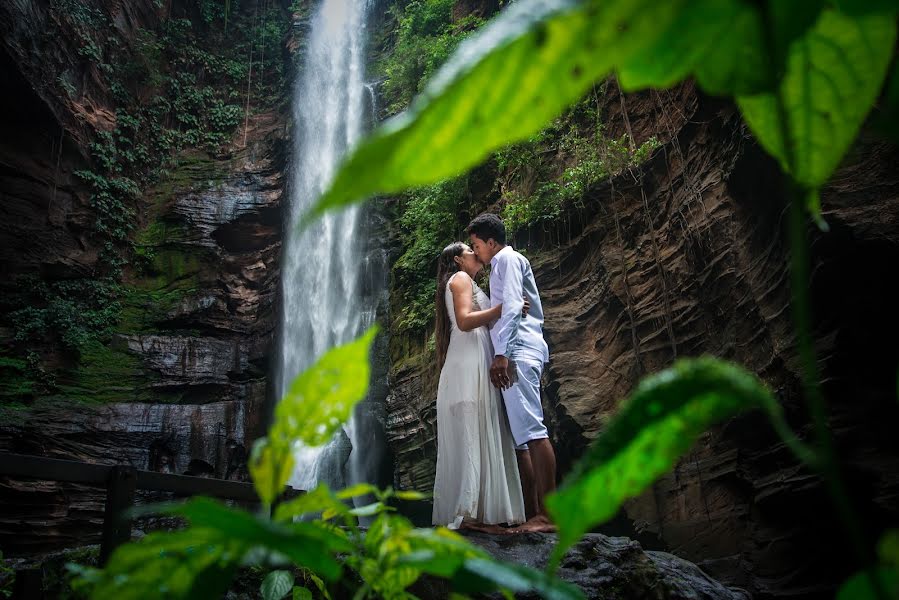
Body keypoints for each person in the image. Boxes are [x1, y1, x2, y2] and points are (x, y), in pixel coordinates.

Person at [467, 213, 558, 533]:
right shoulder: (502, 264)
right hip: (518, 351)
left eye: (477, 245)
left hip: (518, 351)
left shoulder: (506, 259)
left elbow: (513, 306)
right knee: (522, 439)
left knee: (533, 431)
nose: (476, 251)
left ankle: (549, 516)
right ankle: (532, 513)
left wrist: (502, 354)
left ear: (491, 242)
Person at [431, 242, 526, 531]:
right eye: (470, 250)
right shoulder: (460, 279)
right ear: (459, 260)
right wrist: (504, 307)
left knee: (476, 433)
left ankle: (479, 513)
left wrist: (512, 310)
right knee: (473, 433)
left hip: (470, 362)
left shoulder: (465, 281)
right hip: (467, 365)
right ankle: (469, 515)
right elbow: (464, 321)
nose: (476, 252)